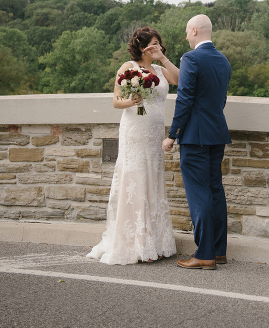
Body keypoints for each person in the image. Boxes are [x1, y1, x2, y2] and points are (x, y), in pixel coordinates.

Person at [87, 26, 180, 265]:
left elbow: (179, 79)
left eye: (159, 43)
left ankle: (156, 242)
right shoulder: (128, 68)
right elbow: (116, 102)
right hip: (134, 132)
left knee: (153, 180)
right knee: (135, 180)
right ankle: (137, 242)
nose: (156, 47)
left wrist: (162, 58)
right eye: (152, 45)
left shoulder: (160, 69)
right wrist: (132, 99)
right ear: (141, 47)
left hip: (154, 133)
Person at [163, 14, 231, 270]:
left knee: (199, 194)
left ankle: (204, 253)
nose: (186, 36)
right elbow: (220, 100)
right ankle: (218, 250)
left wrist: (173, 134)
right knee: (215, 191)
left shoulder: (191, 58)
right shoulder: (223, 60)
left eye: (186, 31)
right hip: (217, 133)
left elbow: (185, 99)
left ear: (193, 30)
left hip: (195, 137)